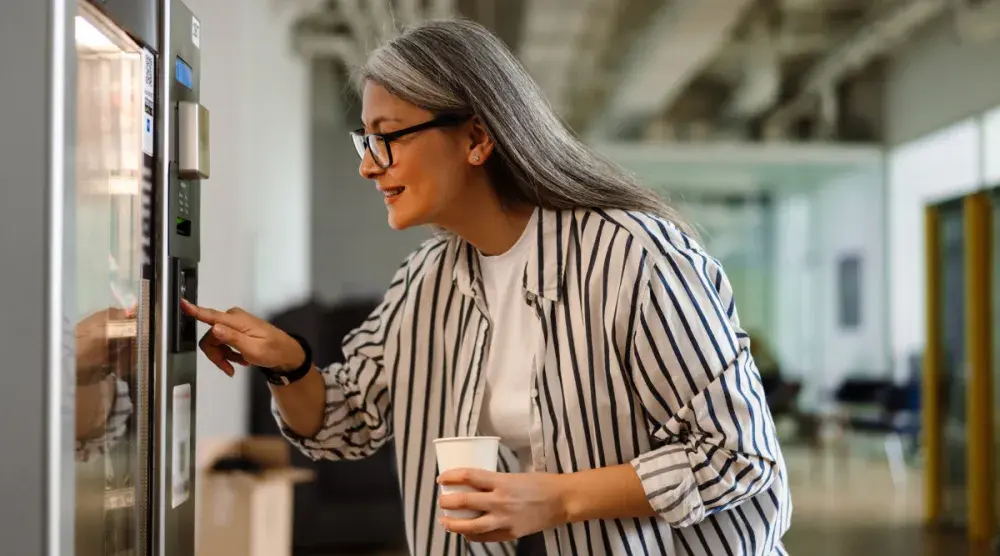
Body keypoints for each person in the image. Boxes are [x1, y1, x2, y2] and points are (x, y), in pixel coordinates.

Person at [182, 18, 790, 556]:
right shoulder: (426, 279)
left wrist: (557, 500)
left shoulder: (635, 256)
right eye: (364, 140)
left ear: (476, 138)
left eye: (387, 136)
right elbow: (345, 421)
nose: (369, 164)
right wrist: (288, 363)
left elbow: (739, 455)